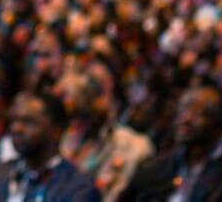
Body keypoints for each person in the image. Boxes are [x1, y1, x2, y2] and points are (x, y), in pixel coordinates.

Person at [120, 85, 222, 202]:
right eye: (183, 110)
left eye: (198, 113)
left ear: (220, 125)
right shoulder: (153, 167)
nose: (186, 119)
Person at [58, 63, 155, 202]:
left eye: (79, 115)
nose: (75, 126)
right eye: (69, 118)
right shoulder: (63, 142)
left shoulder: (132, 145)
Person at [0, 92, 101, 202]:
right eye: (14, 121)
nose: (16, 128)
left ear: (56, 130)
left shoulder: (77, 188)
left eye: (29, 122)